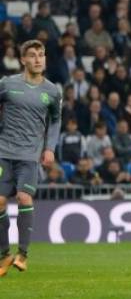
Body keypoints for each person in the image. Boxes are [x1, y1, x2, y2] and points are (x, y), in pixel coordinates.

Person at [0, 39, 62, 275]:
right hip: (3, 152)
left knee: (25, 198)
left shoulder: (52, 91)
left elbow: (56, 120)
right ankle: (3, 255)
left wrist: (50, 148)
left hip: (29, 156)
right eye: (33, 55)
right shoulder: (7, 84)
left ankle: (22, 255)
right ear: (23, 59)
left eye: (41, 54)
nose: (38, 59)